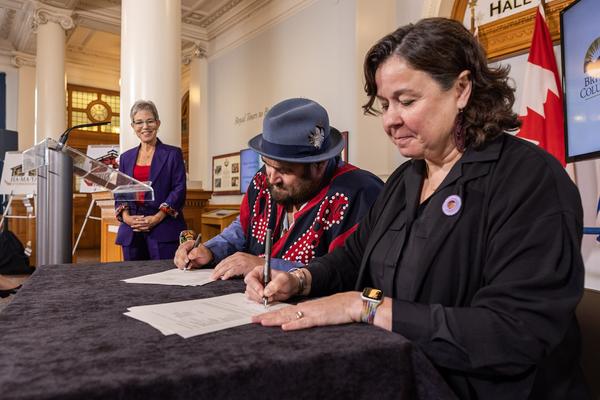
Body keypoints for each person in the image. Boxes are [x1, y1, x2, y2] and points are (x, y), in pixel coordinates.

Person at [245, 18, 590, 400]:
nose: (390, 120)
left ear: (461, 89)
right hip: (401, 374)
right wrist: (299, 280)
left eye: (407, 101)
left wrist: (367, 307)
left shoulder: (531, 179)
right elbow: (353, 255)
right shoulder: (404, 179)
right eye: (385, 104)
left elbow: (514, 331)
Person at [174, 98, 383, 280]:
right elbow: (242, 229)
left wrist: (263, 265)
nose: (271, 177)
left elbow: (350, 271)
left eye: (284, 169)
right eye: (267, 163)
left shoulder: (359, 193)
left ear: (319, 164)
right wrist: (209, 250)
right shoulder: (264, 180)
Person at [115, 100, 187, 261]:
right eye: (139, 122)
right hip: (131, 230)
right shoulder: (125, 158)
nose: (145, 127)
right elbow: (120, 191)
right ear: (133, 127)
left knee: (163, 278)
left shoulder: (173, 153)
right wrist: (126, 218)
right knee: (132, 278)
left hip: (163, 227)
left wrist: (156, 218)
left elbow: (179, 189)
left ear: (158, 123)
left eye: (150, 121)